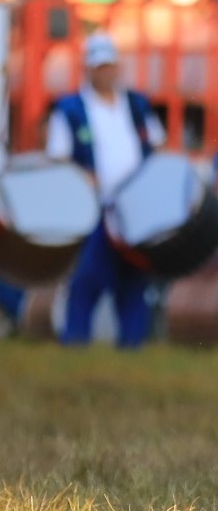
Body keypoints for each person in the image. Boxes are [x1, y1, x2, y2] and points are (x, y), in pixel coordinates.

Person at [44, 33, 165, 348]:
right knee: (88, 278)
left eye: (110, 66)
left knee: (134, 278)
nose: (106, 73)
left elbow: (156, 148)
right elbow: (58, 160)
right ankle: (75, 342)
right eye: (99, 67)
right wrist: (85, 179)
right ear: (88, 69)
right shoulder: (70, 109)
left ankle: (133, 345)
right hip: (95, 209)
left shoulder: (137, 104)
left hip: (134, 209)